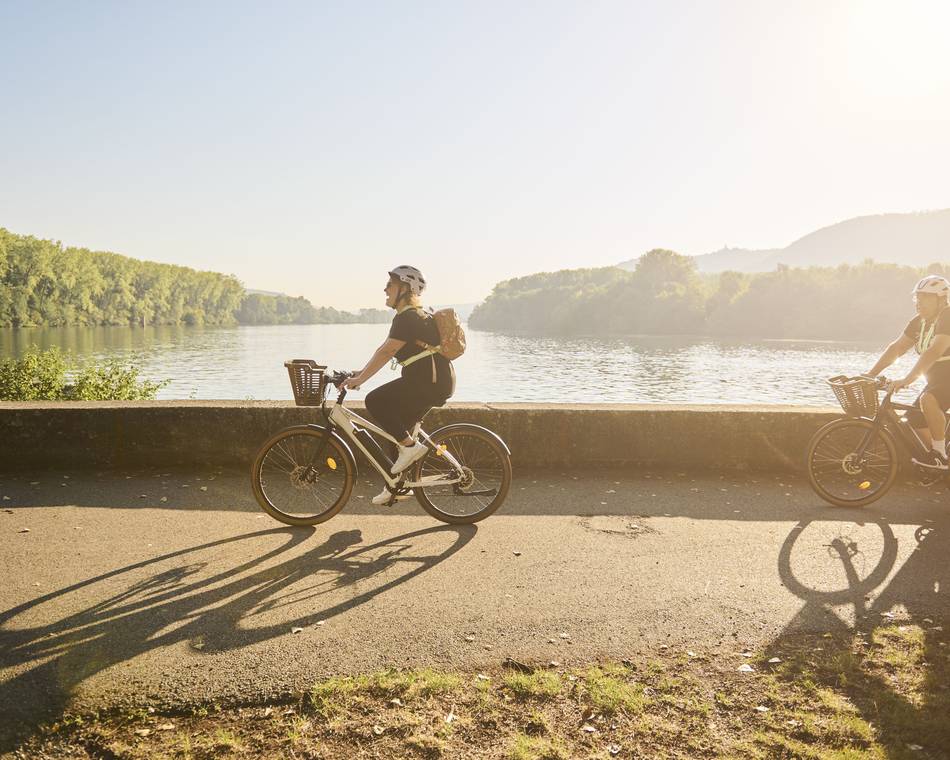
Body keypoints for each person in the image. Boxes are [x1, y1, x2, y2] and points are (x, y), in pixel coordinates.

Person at [343, 266, 456, 503]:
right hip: (432, 380)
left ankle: (411, 449)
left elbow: (387, 351)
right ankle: (395, 485)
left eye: (390, 285)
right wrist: (360, 372)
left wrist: (361, 380)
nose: (385, 289)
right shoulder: (411, 316)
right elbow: (384, 350)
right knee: (397, 433)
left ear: (405, 289)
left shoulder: (409, 317)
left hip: (428, 382)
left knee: (375, 400)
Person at [867, 274, 950, 469]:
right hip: (938, 380)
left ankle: (939, 454)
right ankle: (940, 460)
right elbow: (896, 348)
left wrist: (908, 379)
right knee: (914, 419)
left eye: (926, 297)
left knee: (928, 399)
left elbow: (935, 350)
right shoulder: (919, 322)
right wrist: (870, 374)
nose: (919, 302)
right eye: (917, 297)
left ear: (941, 300)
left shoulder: (948, 316)